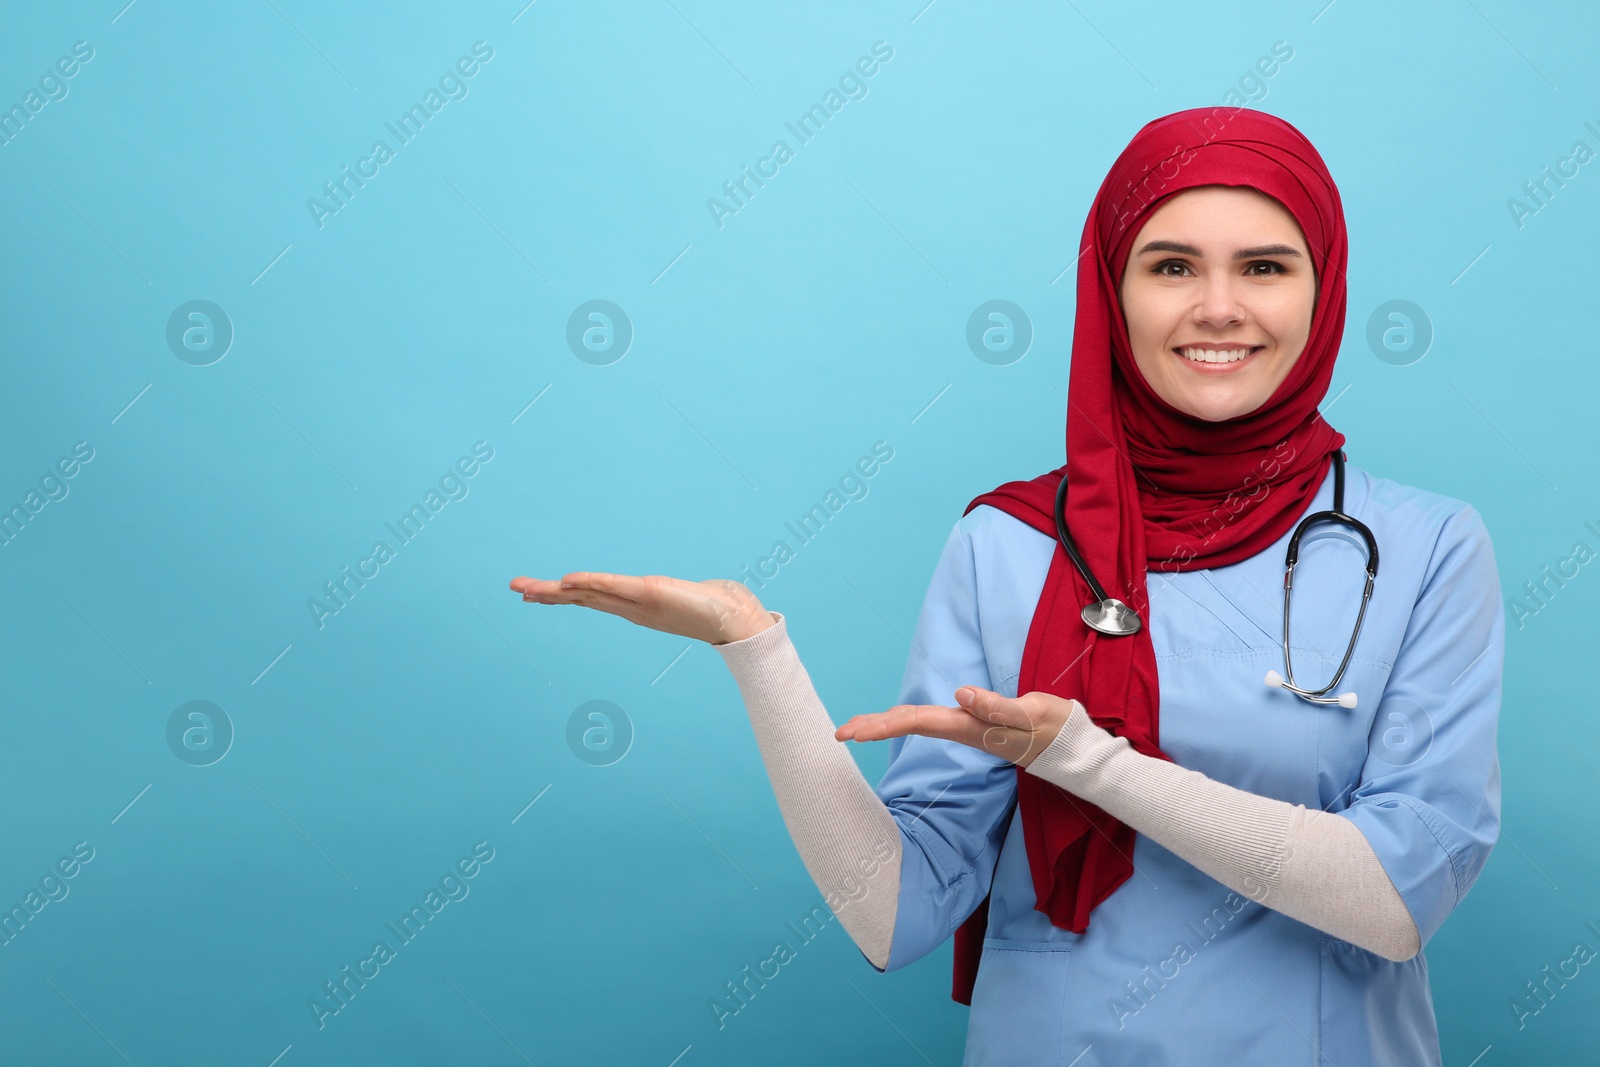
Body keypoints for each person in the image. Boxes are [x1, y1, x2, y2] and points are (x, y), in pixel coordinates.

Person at [509, 107, 1503, 1065]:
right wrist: (753, 647)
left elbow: (1394, 897)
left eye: (1264, 267)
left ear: (1321, 289)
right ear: (1109, 290)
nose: (1216, 307)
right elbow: (892, 906)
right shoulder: (1010, 544)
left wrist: (1084, 760)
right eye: (1169, 266)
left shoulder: (1426, 547)